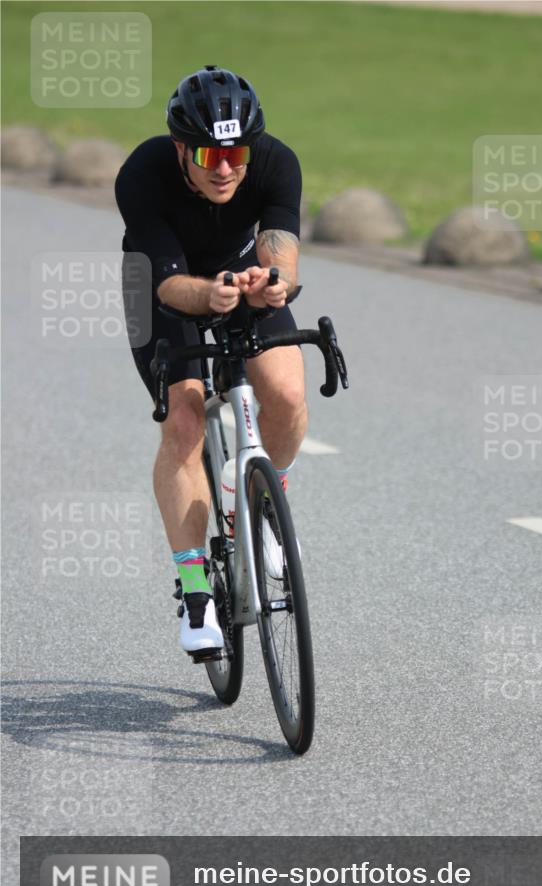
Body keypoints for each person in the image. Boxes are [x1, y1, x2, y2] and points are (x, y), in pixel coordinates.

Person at [115, 65, 305, 655]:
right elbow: (171, 287)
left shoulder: (275, 162)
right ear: (181, 149)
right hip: (162, 285)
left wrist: (271, 285)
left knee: (287, 395)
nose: (225, 169)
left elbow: (281, 254)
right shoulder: (143, 174)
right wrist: (213, 294)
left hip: (240, 276)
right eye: (209, 155)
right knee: (184, 421)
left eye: (235, 154)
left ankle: (266, 507)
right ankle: (195, 591)